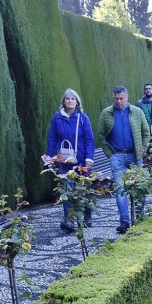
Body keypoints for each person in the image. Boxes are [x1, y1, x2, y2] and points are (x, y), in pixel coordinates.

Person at [98, 85, 151, 234]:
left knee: (139, 187)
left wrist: (142, 149)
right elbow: (101, 135)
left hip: (135, 155)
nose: (119, 101)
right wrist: (110, 154)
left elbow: (146, 133)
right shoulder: (107, 113)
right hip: (117, 156)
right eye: (116, 99)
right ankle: (125, 220)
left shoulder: (137, 112)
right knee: (120, 189)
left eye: (121, 98)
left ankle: (139, 216)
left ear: (127, 97)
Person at [43, 88, 95, 232]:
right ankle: (69, 220)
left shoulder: (83, 118)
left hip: (81, 160)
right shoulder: (57, 118)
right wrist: (49, 156)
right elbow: (52, 137)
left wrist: (89, 159)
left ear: (77, 102)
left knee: (83, 188)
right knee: (67, 189)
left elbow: (90, 139)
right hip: (64, 161)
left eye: (73, 99)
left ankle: (87, 216)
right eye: (67, 99)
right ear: (64, 102)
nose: (70, 101)